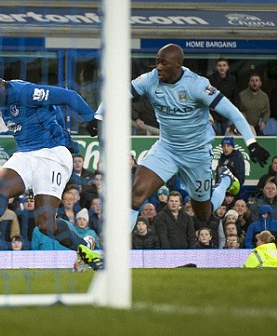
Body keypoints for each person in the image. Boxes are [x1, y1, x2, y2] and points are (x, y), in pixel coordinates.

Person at [0, 64, 103, 270]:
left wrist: (90, 118)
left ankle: (85, 247)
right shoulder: (0, 102)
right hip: (25, 154)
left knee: (46, 225)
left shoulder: (26, 92)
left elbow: (68, 95)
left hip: (53, 154)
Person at [97, 44, 270, 232]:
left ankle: (226, 180)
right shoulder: (149, 80)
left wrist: (251, 143)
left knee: (203, 215)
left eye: (164, 63)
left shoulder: (197, 85)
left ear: (178, 64)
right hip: (167, 149)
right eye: (157, 62)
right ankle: (114, 257)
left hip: (196, 154)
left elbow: (234, 113)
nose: (159, 67)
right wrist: (97, 116)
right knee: (135, 197)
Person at [207, 58, 238, 135]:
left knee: (228, 138)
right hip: (214, 114)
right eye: (219, 66)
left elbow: (236, 97)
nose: (222, 68)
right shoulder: (210, 80)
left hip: (228, 114)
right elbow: (206, 96)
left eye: (224, 65)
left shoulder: (232, 79)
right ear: (216, 67)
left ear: (227, 67)